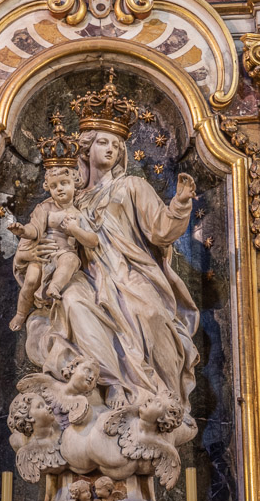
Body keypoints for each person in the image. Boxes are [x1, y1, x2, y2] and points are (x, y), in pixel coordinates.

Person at [24, 128, 200, 414]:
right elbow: (44, 237)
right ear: (86, 149)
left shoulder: (132, 186)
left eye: (116, 146)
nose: (110, 149)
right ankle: (111, 381)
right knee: (73, 303)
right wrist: (34, 255)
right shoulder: (71, 197)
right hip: (86, 275)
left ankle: (168, 401)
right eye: (103, 142)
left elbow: (161, 230)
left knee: (150, 313)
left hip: (129, 270)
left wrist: (180, 203)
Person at [8, 165, 98, 331]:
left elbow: (93, 241)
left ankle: (55, 286)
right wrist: (23, 231)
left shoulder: (79, 214)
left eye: (64, 183)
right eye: (54, 186)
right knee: (31, 280)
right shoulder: (44, 208)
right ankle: (21, 313)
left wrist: (75, 230)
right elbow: (34, 229)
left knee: (70, 261)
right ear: (48, 189)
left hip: (65, 252)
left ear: (75, 184)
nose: (59, 189)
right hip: (43, 255)